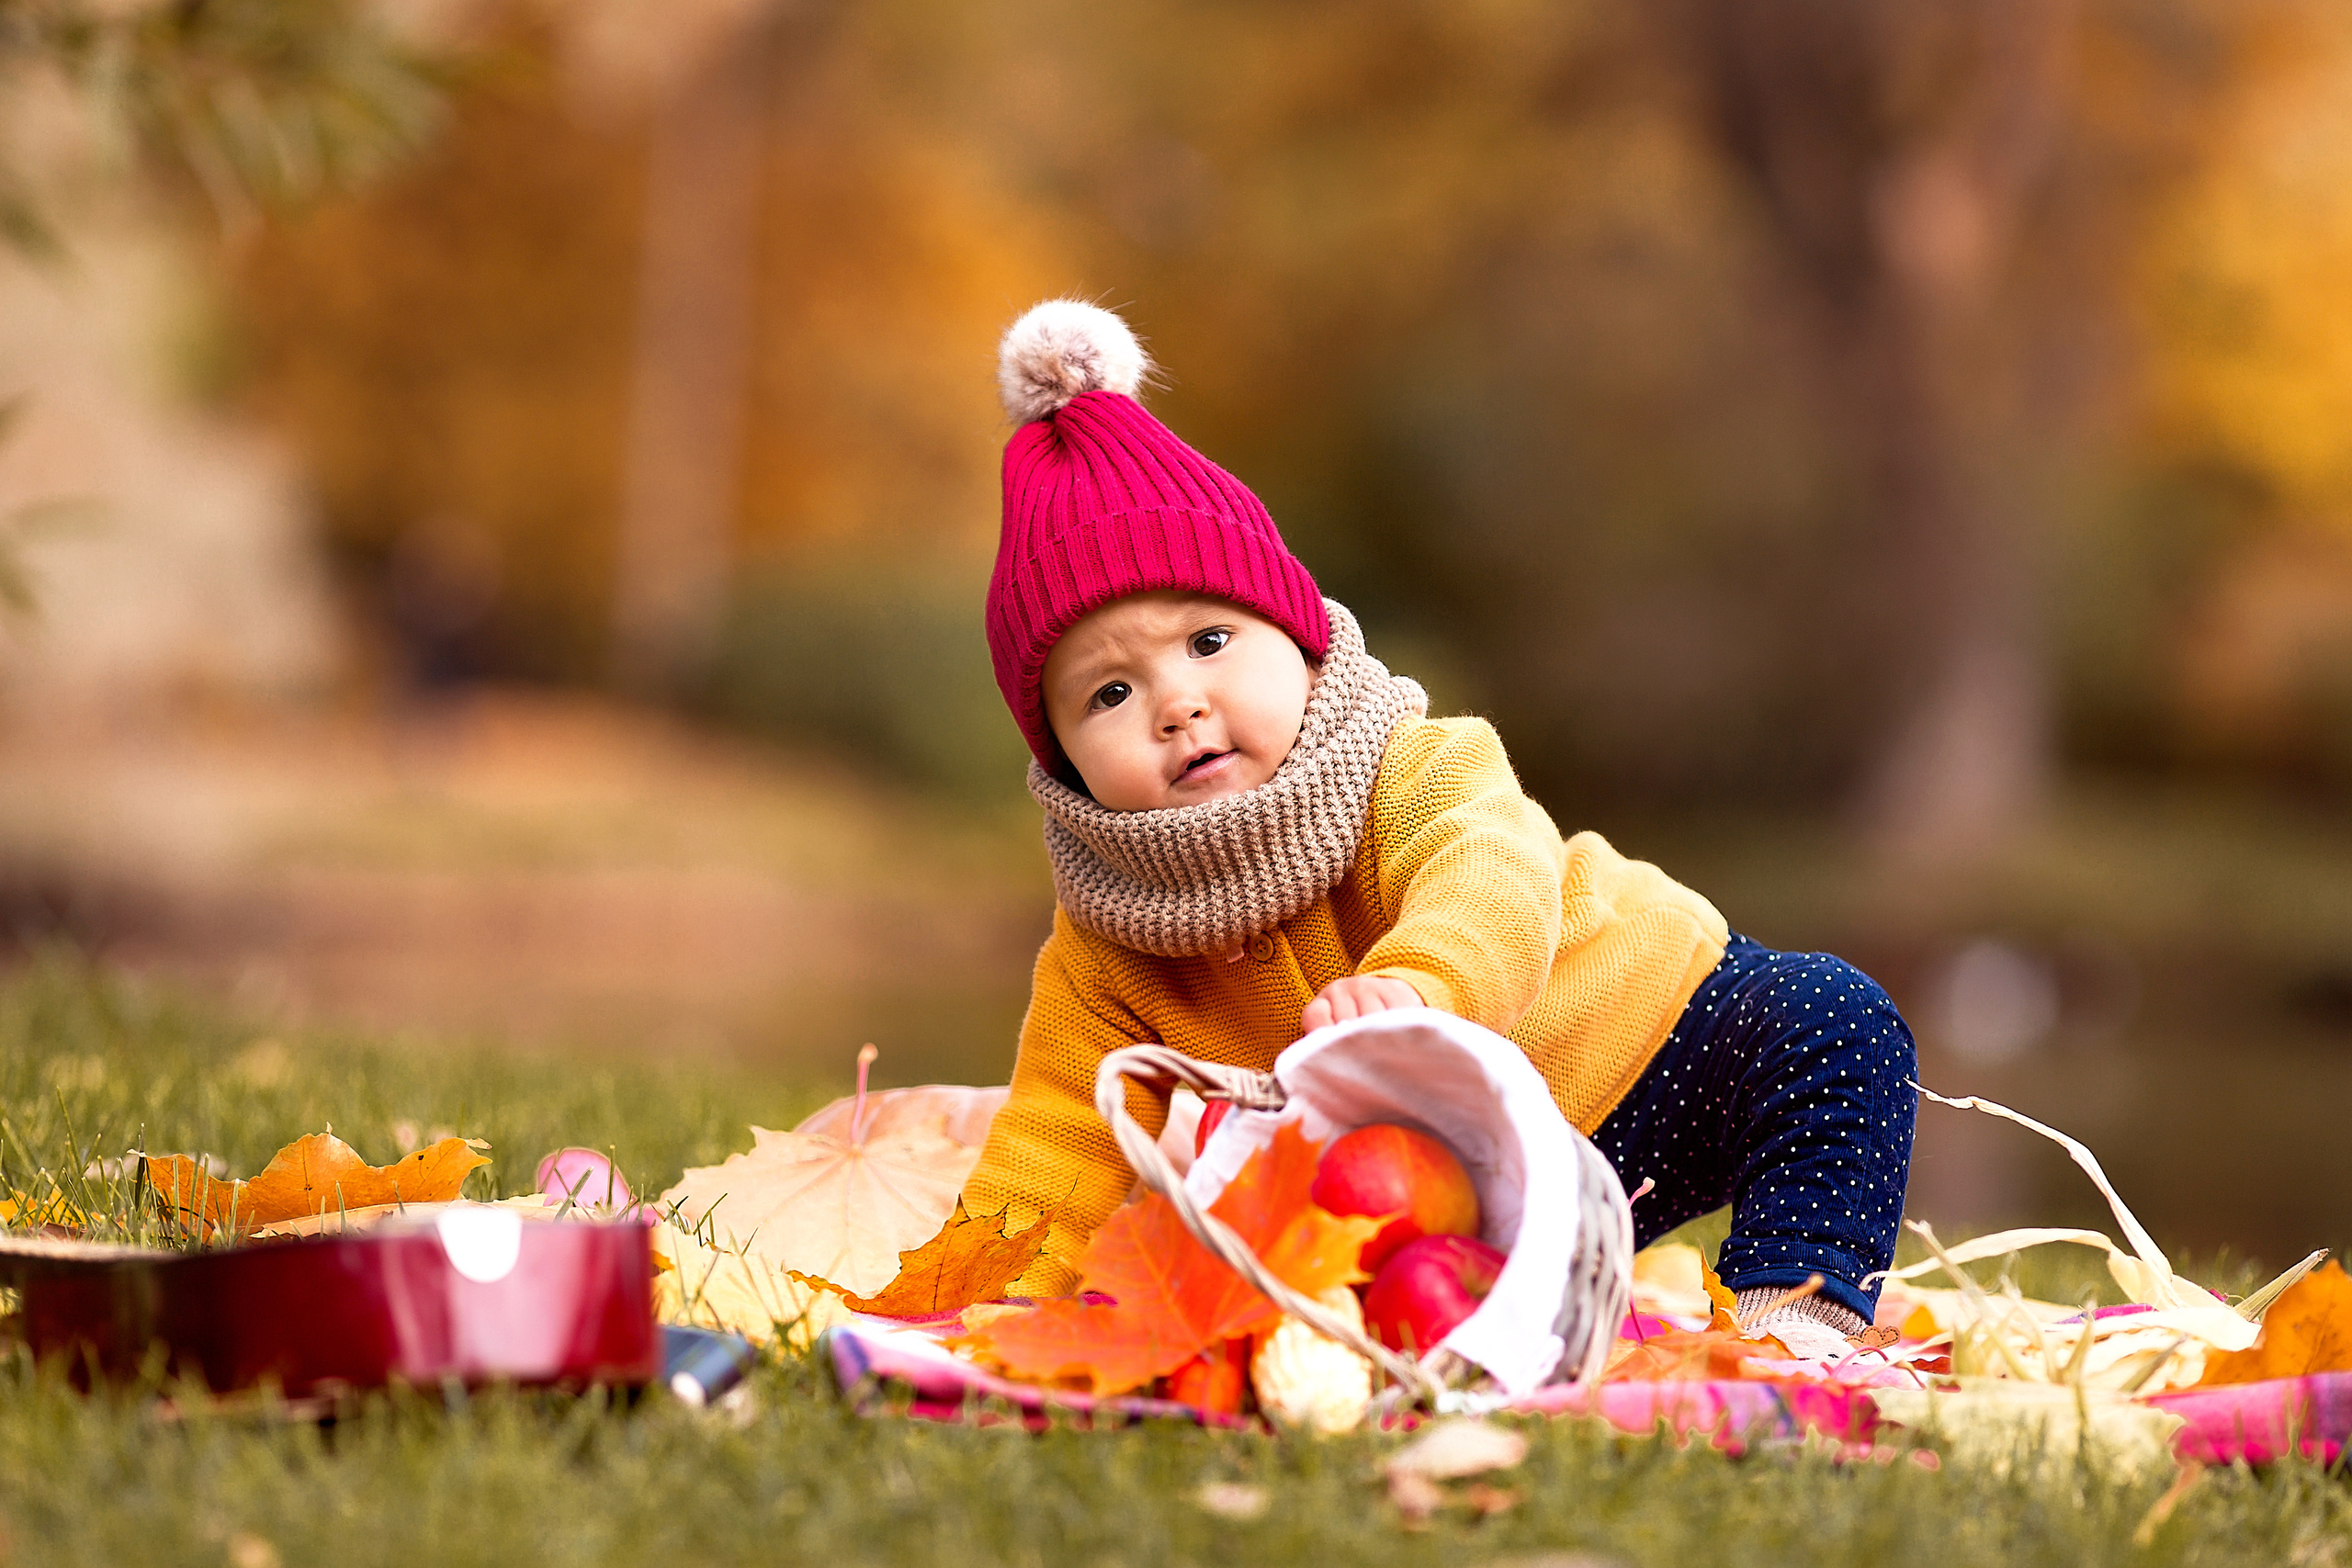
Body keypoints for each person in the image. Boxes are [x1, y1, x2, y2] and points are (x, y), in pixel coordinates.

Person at [956, 299, 1915, 1356]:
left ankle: (1794, 1322)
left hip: (1631, 1043)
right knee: (1341, 1299)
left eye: (1210, 640)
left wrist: (1420, 987)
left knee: (1831, 1021)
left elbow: (1490, 874)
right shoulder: (1106, 941)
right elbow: (1061, 1133)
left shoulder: (1407, 762)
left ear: (1299, 635)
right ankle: (1521, 1325)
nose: (1176, 704)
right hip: (1450, 1190)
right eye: (1107, 696)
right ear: (1060, 759)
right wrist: (982, 1300)